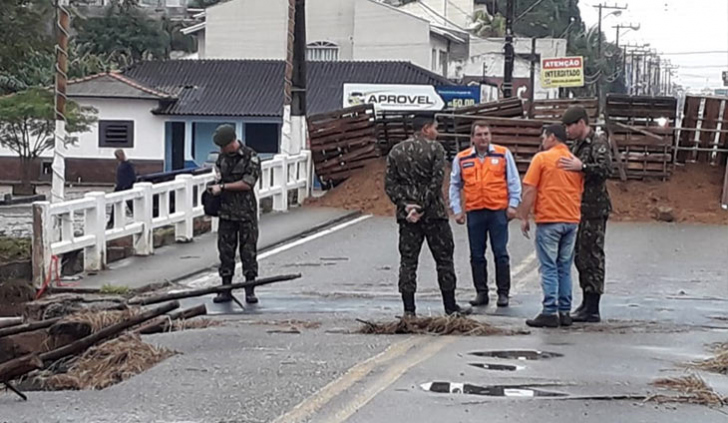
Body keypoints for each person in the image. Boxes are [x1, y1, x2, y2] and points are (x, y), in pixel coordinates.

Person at [385, 113, 472, 317]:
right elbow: (436, 183)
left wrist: (407, 206)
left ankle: (409, 310)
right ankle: (450, 307)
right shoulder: (436, 149)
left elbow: (390, 185)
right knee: (444, 260)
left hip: (408, 218)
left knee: (408, 262)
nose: (437, 132)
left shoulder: (396, 151)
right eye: (435, 127)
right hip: (434, 215)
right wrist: (422, 207)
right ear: (425, 129)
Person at [449, 121, 522, 308]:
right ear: (472, 138)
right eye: (479, 134)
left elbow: (513, 180)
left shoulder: (503, 154)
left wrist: (513, 205)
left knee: (500, 253)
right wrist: (457, 210)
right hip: (475, 212)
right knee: (476, 255)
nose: (483, 138)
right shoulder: (462, 158)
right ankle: (481, 292)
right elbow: (455, 185)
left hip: (498, 211)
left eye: (486, 134)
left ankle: (503, 293)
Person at [519, 124, 584, 328]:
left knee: (548, 266)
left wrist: (523, 216)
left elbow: (530, 189)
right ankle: (565, 311)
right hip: (571, 219)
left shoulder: (542, 159)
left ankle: (549, 310)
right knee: (564, 267)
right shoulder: (574, 162)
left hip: (549, 219)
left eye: (544, 137)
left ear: (552, 137)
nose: (542, 140)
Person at [559, 106, 613, 323]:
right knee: (580, 256)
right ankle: (585, 302)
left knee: (592, 256)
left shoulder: (598, 142)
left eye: (570, 125)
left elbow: (605, 170)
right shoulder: (576, 145)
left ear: (581, 123)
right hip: (577, 207)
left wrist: (582, 166)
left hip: (594, 208)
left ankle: (593, 306)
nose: (567, 130)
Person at [209, 124, 262, 304]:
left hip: (246, 213)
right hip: (226, 213)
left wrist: (223, 187)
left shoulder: (251, 157)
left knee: (248, 252)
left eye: (223, 146)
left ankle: (250, 289)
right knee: (225, 252)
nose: (221, 150)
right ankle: (226, 289)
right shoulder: (221, 159)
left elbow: (248, 183)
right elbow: (217, 177)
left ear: (232, 142)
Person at [108, 149, 136, 228]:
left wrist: (126, 186)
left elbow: (132, 177)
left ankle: (112, 221)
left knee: (131, 204)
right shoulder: (124, 164)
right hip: (121, 187)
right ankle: (112, 221)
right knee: (116, 205)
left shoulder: (128, 165)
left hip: (126, 187)